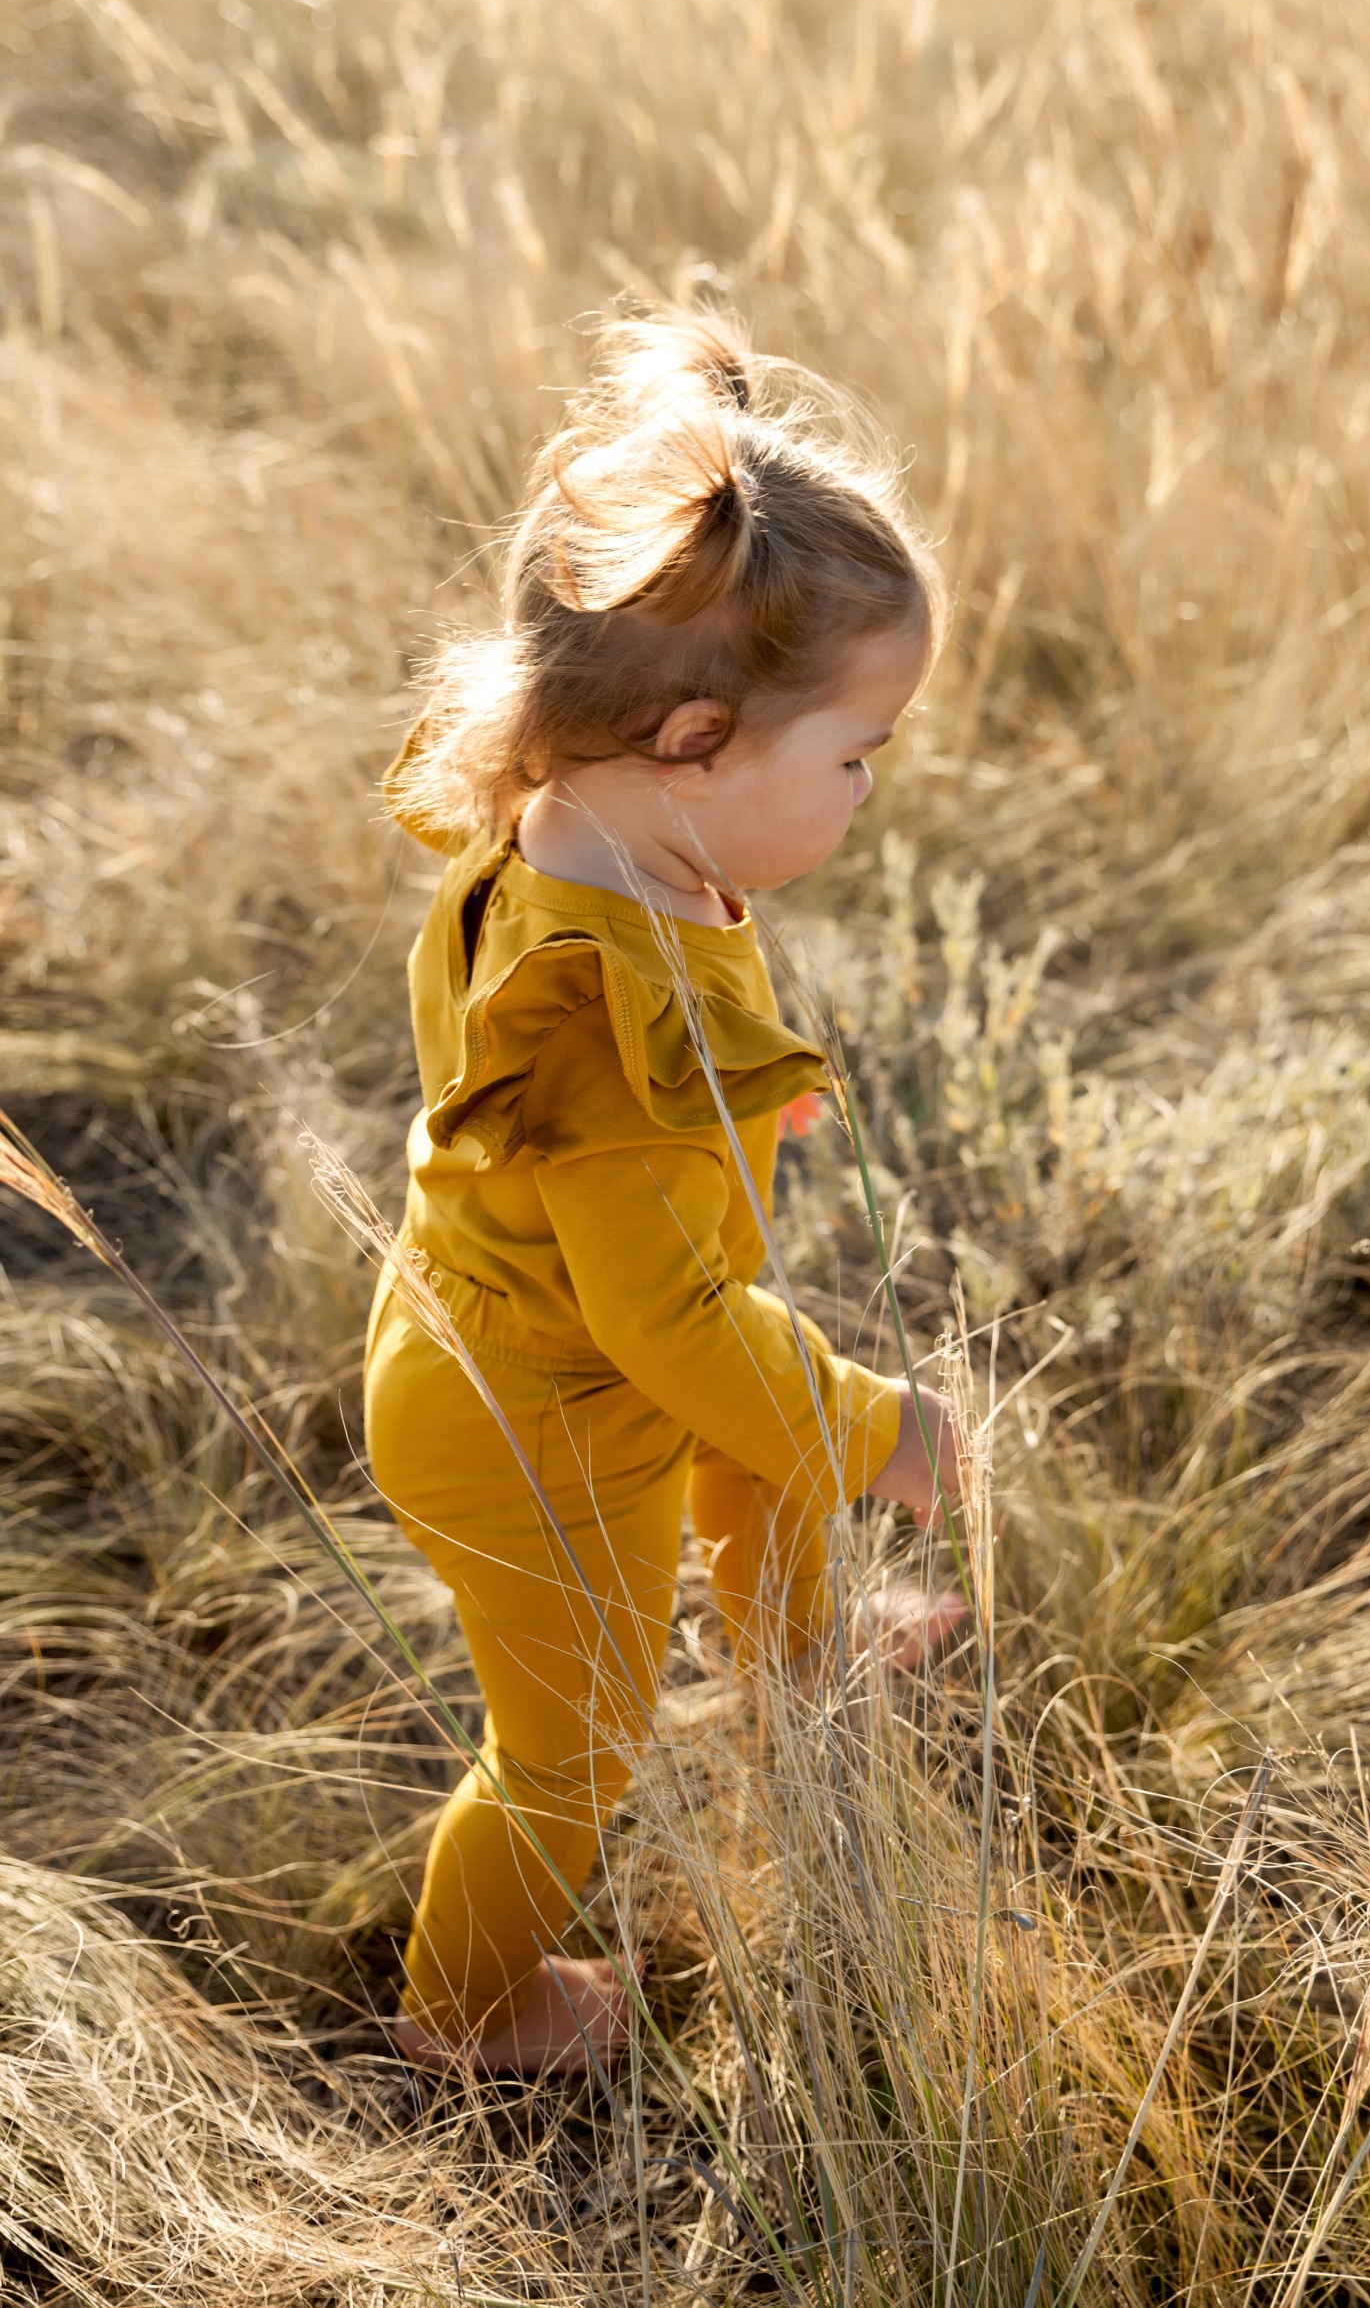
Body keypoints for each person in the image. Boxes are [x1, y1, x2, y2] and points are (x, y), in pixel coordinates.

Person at [364, 308, 964, 2078]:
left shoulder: (597, 834)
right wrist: (880, 1426)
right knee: (572, 1744)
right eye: (856, 753)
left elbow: (648, 1244)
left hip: (549, 1333)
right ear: (695, 734)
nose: (869, 789)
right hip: (533, 1416)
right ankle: (468, 2010)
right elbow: (665, 1315)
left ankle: (797, 1649)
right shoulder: (598, 996)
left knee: (744, 1426)